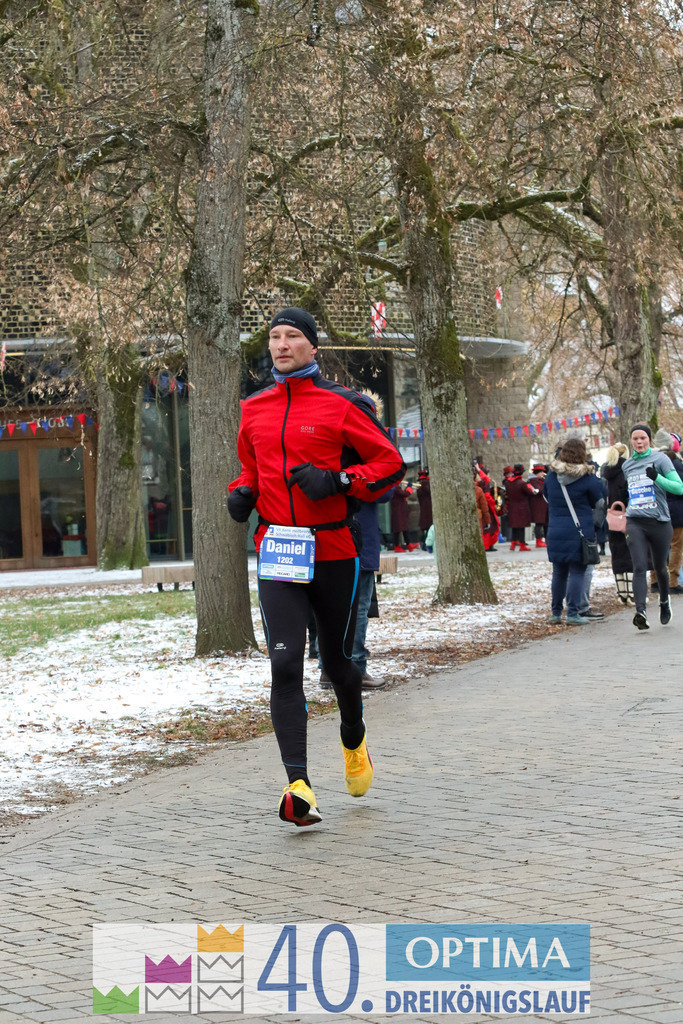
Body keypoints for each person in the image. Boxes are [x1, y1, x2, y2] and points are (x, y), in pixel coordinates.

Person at [227, 307, 405, 826]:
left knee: (336, 665)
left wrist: (340, 481)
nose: (281, 345)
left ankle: (353, 736)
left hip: (333, 551)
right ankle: (298, 787)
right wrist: (241, 492)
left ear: (312, 347)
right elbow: (250, 468)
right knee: (284, 665)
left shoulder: (341, 404)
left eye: (292, 336)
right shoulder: (254, 408)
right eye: (274, 337)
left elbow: (389, 464)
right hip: (278, 551)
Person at [623, 423, 683, 630]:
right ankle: (640, 612)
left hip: (659, 522)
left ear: (649, 440)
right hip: (635, 521)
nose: (639, 442)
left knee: (660, 567)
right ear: (631, 441)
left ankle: (664, 601)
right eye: (635, 438)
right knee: (639, 566)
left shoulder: (661, 459)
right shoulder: (627, 465)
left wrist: (657, 478)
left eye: (643, 438)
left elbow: (679, 488)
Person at [544, 437, 605, 624]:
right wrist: (595, 525)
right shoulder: (587, 478)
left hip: (555, 531)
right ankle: (572, 613)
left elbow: (546, 497)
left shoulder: (551, 477)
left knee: (559, 573)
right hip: (580, 531)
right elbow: (599, 503)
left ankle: (555, 613)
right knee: (577, 572)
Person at [647, 429, 683, 596]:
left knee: (657, 547)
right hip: (676, 511)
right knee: (676, 546)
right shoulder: (676, 463)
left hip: (655, 509)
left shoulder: (649, 461)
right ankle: (673, 582)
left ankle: (654, 581)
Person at [601, 442, 634, 605]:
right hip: (626, 517)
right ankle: (631, 593)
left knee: (617, 553)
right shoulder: (627, 470)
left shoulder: (606, 472)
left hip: (611, 518)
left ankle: (621, 593)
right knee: (630, 554)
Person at [505, 464, 535, 551]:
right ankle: (522, 545)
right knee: (521, 527)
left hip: (512, 506)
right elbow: (529, 492)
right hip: (522, 507)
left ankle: (513, 544)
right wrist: (531, 490)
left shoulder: (507, 483)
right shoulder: (522, 483)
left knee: (514, 526)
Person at [390, 480, 418, 551]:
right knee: (399, 529)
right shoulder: (395, 487)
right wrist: (409, 488)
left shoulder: (395, 487)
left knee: (402, 528)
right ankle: (399, 546)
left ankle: (408, 544)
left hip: (399, 511)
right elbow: (405, 494)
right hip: (398, 511)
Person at [527, 463, 548, 547]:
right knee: (539, 523)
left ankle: (547, 540)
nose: (543, 474)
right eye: (541, 472)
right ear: (537, 473)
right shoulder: (533, 481)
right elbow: (540, 490)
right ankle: (538, 541)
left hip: (544, 504)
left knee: (546, 523)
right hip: (538, 505)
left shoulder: (541, 480)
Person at [416, 468, 432, 549]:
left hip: (424, 508)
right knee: (428, 526)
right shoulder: (425, 484)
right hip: (428, 509)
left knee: (424, 527)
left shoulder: (419, 486)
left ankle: (422, 543)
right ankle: (425, 543)